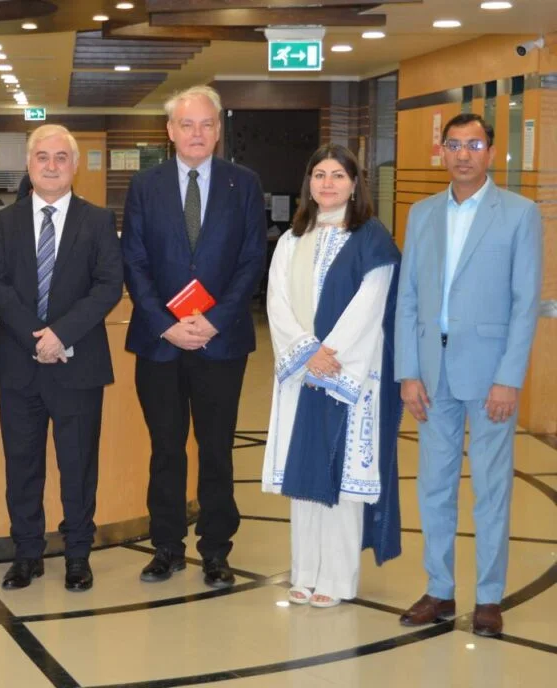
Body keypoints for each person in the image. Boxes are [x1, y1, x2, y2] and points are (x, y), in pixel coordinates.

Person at [395, 113, 542, 637]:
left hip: (490, 377)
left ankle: (488, 596)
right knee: (433, 486)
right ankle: (439, 589)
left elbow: (525, 303)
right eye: (454, 145)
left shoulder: (520, 214)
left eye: (474, 145)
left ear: (491, 152)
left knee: (491, 489)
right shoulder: (422, 214)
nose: (463, 154)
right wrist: (408, 371)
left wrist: (509, 378)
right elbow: (408, 298)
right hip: (431, 376)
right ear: (442, 152)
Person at [122, 85, 266, 588]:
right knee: (165, 448)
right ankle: (166, 546)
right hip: (159, 342)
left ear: (218, 129)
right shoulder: (145, 185)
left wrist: (216, 319)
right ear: (170, 131)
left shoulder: (243, 184)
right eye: (187, 124)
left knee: (216, 448)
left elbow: (253, 258)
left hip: (220, 342)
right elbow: (134, 261)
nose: (197, 133)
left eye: (206, 124)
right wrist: (165, 323)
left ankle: (216, 549)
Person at [261, 143, 403, 608]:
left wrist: (331, 353)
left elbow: (371, 304)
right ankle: (304, 571)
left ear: (355, 183)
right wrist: (307, 352)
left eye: (338, 175)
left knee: (342, 475)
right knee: (303, 472)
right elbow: (277, 301)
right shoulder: (292, 239)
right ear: (309, 184)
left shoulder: (372, 238)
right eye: (319, 174)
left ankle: (338, 578)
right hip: (302, 371)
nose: (328, 183)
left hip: (351, 374)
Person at [0, 124, 122, 591]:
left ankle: (78, 555)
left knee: (78, 466)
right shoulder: (5, 221)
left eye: (61, 157)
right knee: (22, 465)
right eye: (42, 156)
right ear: (29, 164)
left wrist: (60, 335)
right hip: (18, 364)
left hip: (77, 364)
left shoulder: (97, 220)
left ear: (75, 166)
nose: (51, 165)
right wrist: (35, 338)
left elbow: (108, 285)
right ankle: (27, 554)